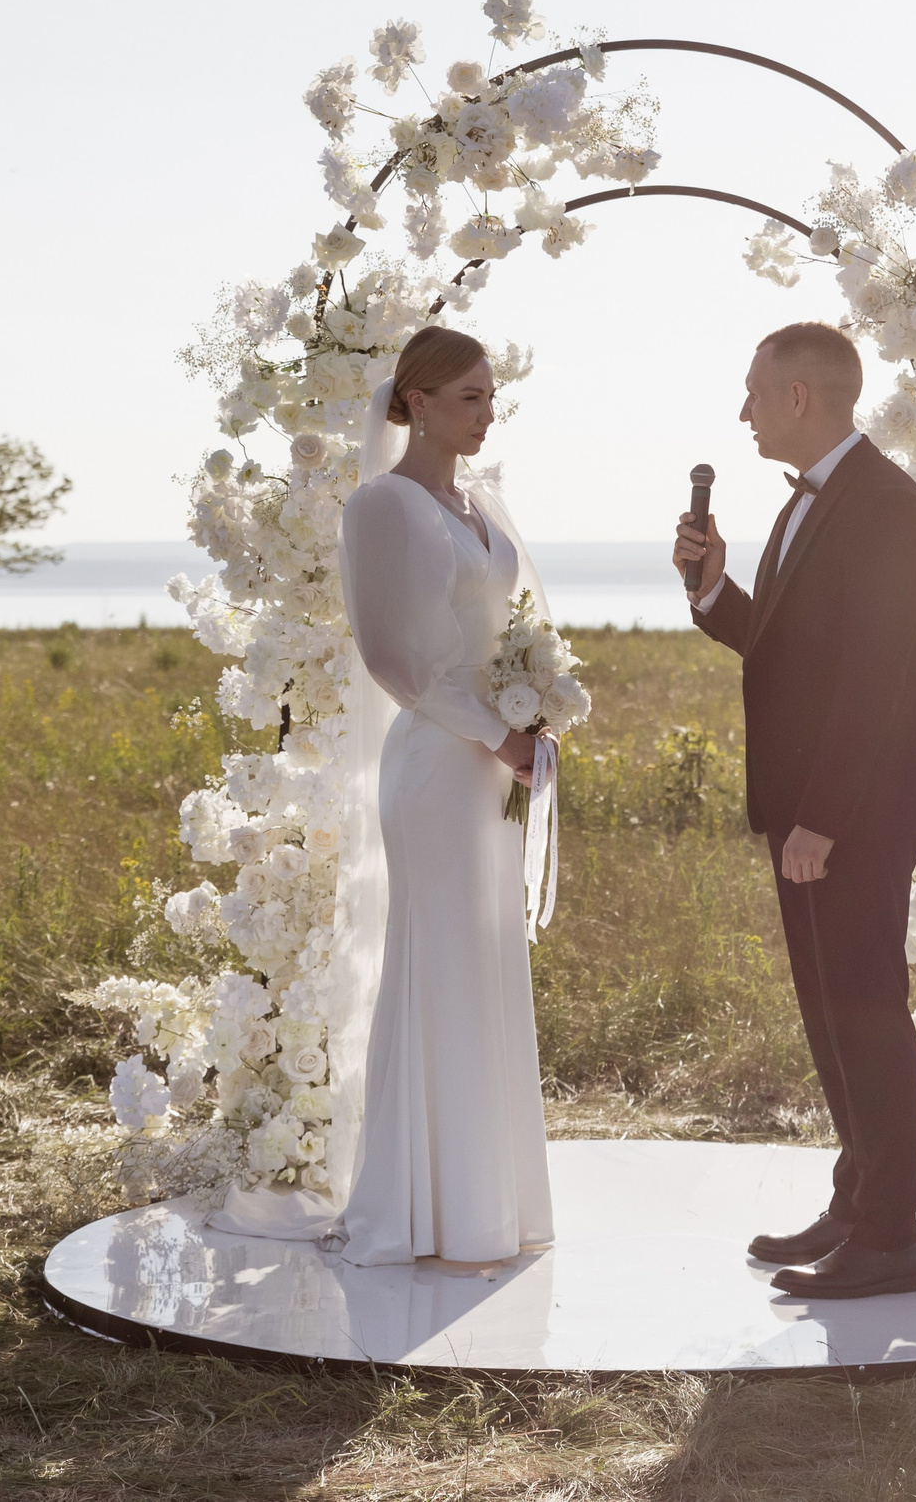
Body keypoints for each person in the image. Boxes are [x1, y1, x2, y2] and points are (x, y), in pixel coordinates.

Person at [673, 321, 916, 1299]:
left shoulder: (884, 507)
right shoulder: (811, 505)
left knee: (867, 1012)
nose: (742, 411)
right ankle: (856, 1203)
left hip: (857, 809)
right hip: (814, 805)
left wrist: (824, 817)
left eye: (753, 392)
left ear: (800, 397)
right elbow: (793, 657)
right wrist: (715, 595)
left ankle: (891, 1240)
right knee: (832, 1012)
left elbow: (875, 683)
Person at [330, 325, 553, 1268]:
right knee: (440, 963)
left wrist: (538, 708)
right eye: (468, 396)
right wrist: (498, 730)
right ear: (416, 402)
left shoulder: (483, 500)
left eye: (490, 394)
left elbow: (514, 623)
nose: (486, 410)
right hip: (438, 762)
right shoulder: (382, 504)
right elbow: (392, 658)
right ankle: (425, 1208)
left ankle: (489, 1206)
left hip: (494, 764)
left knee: (491, 958)